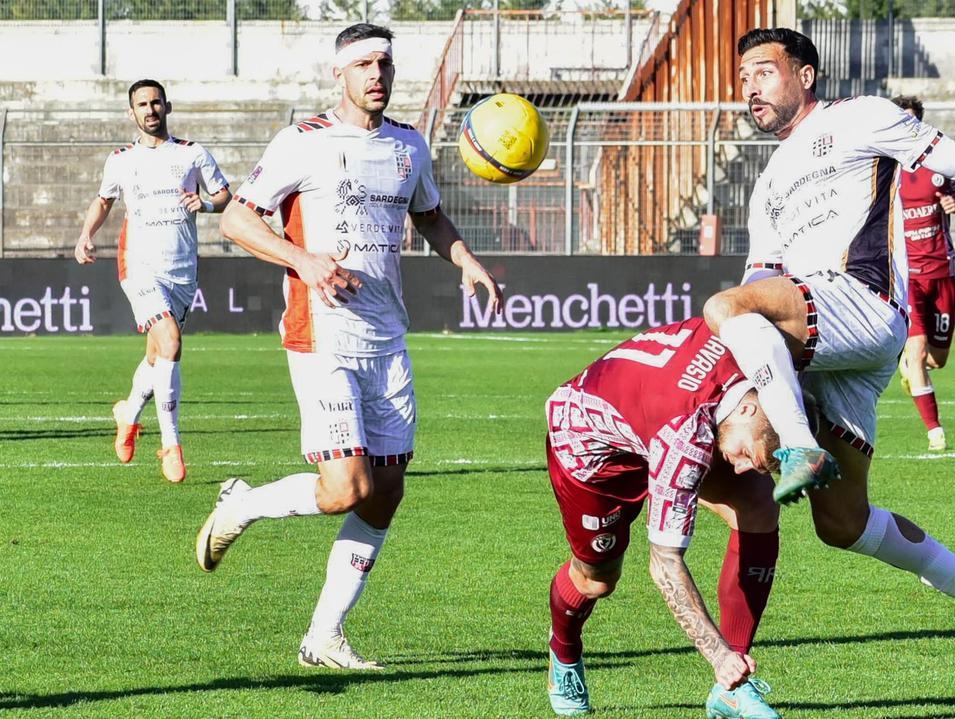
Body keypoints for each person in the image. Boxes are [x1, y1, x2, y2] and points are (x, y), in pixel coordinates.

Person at [703, 28, 955, 670]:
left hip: (861, 303)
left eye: (763, 73)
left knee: (722, 310)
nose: (750, 89)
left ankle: (797, 447)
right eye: (743, 79)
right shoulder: (766, 183)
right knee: (842, 524)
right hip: (826, 338)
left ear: (806, 75)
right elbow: (759, 281)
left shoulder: (862, 118)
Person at [194, 23, 503, 670]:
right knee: (343, 487)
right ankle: (243, 504)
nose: (377, 75)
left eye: (385, 63)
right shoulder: (301, 142)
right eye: (363, 64)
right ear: (339, 74)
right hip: (322, 332)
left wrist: (466, 260)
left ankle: (324, 636)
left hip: (387, 337)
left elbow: (428, 214)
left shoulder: (409, 146)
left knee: (386, 490)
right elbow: (235, 218)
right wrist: (303, 259)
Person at [545, 318, 781, 719]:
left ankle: (732, 691)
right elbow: (663, 563)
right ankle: (564, 655)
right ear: (746, 406)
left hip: (658, 414)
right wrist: (715, 654)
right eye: (747, 455)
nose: (741, 468)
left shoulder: (759, 349)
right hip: (592, 447)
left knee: (757, 502)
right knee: (597, 580)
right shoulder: (684, 437)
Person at [74, 79, 231, 483]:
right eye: (142, 104)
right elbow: (104, 199)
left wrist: (207, 204)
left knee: (156, 355)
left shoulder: (192, 153)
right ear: (132, 112)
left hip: (181, 269)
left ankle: (128, 413)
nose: (150, 110)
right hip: (138, 265)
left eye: (156, 102)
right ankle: (171, 442)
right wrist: (86, 234)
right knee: (172, 342)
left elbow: (225, 196)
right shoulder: (122, 159)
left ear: (167, 106)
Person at [892, 94, 955, 452]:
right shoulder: (886, 168)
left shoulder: (942, 162)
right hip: (906, 274)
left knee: (935, 359)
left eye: (912, 121)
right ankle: (934, 431)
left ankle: (912, 369)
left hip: (942, 268)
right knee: (917, 347)